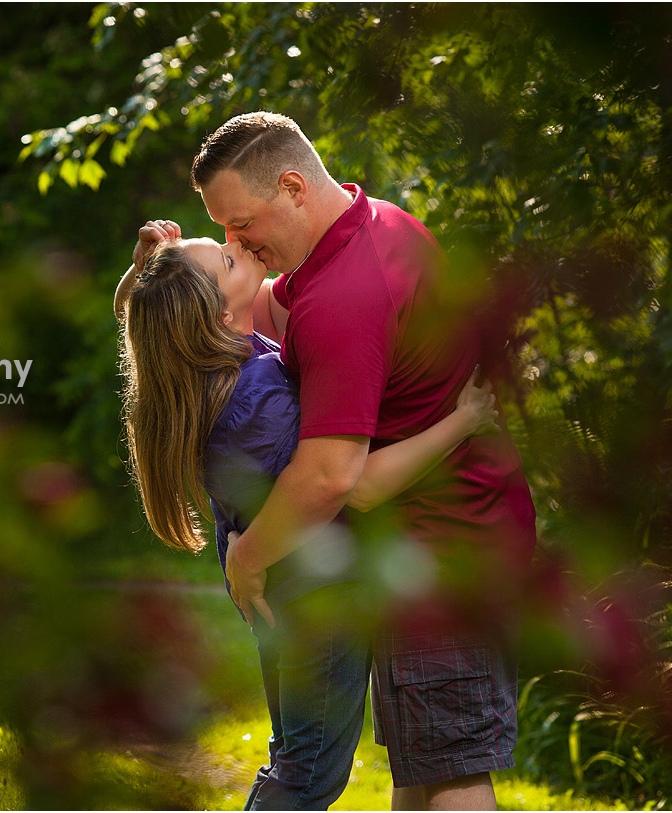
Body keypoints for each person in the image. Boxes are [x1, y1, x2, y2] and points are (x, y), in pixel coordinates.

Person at [188, 112, 538, 810]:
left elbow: (334, 479)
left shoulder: (344, 296)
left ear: (290, 186)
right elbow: (248, 309)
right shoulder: (368, 226)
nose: (238, 240)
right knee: (424, 770)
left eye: (241, 222)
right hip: (441, 541)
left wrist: (249, 555)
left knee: (456, 775)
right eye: (224, 230)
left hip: (445, 547)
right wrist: (171, 273)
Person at [115, 231, 502, 809]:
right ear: (215, 312)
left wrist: (144, 268)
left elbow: (136, 313)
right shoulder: (256, 403)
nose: (237, 246)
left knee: (300, 754)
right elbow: (358, 483)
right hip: (316, 599)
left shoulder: (214, 367)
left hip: (292, 591)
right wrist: (464, 420)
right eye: (227, 259)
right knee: (309, 768)